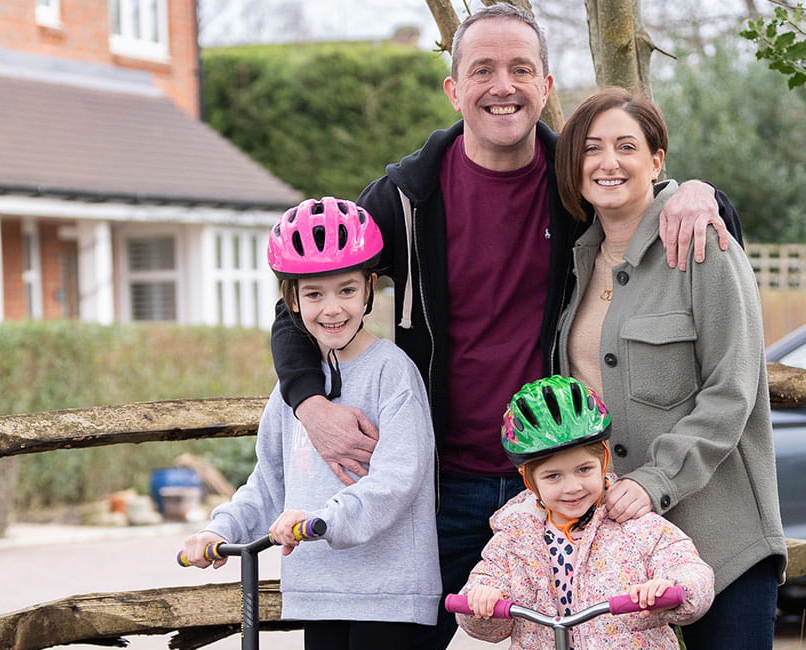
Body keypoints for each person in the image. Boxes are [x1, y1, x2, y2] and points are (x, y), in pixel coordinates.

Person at [266, 6, 743, 646]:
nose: (503, 86)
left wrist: (700, 190)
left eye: (522, 69)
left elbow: (664, 210)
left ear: (546, 87)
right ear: (454, 88)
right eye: (482, 69)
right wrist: (310, 403)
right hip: (435, 488)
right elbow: (301, 298)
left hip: (555, 480)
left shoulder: (574, 188)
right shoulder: (403, 199)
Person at [553, 87, 785, 647]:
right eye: (591, 149)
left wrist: (656, 480)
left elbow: (734, 389)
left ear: (657, 161)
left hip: (721, 538)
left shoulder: (703, 244)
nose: (608, 163)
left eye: (626, 146)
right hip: (620, 551)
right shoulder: (573, 262)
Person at [182, 197, 442, 649]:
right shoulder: (295, 393)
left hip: (386, 592)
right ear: (293, 300)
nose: (332, 309)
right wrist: (220, 529)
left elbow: (400, 479)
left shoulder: (392, 371)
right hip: (317, 589)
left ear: (369, 289)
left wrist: (323, 519)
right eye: (315, 294)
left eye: (346, 290)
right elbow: (270, 483)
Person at [458, 375, 713, 649]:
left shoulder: (636, 524)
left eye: (584, 469)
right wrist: (480, 602)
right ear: (529, 480)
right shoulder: (514, 538)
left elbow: (692, 572)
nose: (572, 487)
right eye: (553, 476)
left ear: (603, 460)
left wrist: (670, 588)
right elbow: (485, 611)